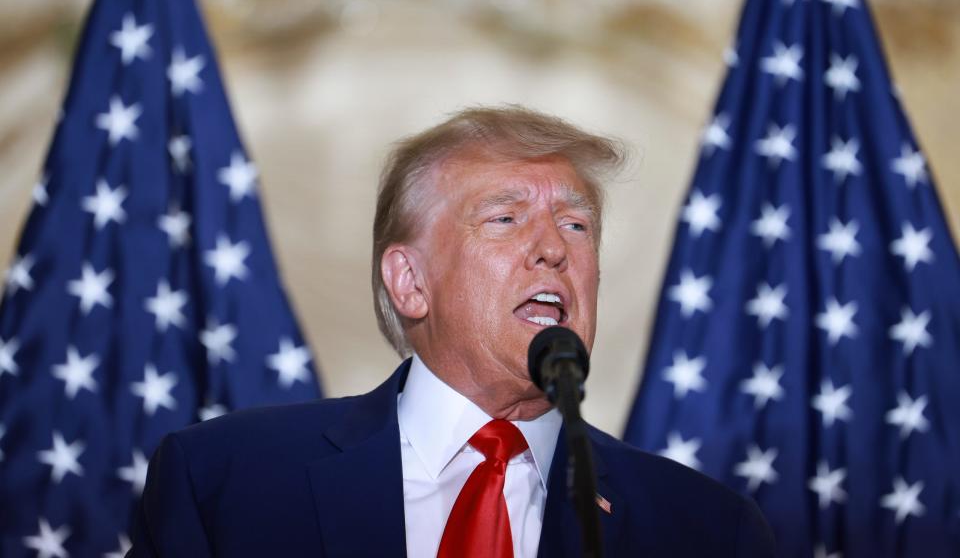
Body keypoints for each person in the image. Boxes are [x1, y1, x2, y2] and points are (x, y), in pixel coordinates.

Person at [129, 106, 775, 557]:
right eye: (504, 219)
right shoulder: (228, 483)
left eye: (576, 226)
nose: (553, 250)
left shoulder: (707, 530)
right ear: (409, 282)